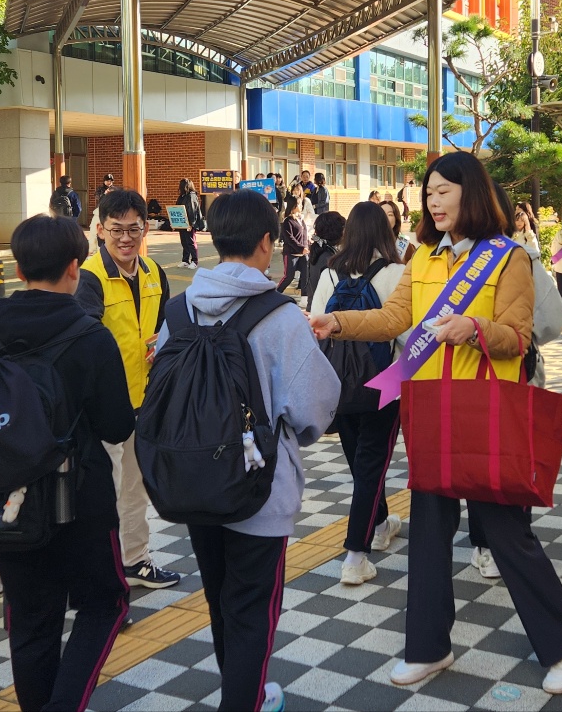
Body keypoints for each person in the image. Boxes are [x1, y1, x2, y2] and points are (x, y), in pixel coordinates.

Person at [310, 152, 562, 697]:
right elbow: (396, 320)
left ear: (473, 193)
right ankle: (427, 647)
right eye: (428, 192)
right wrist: (337, 322)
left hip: (484, 413)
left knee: (508, 536)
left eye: (443, 190)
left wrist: (472, 326)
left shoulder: (510, 257)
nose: (432, 200)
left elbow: (520, 335)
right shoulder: (422, 256)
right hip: (430, 411)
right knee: (428, 533)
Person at [162, 188, 338, 712]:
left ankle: (242, 690)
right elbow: (314, 408)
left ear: (214, 240)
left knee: (221, 601)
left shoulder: (177, 310)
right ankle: (247, 700)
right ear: (267, 243)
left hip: (192, 480)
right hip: (259, 490)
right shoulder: (279, 317)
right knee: (253, 610)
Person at [0, 214, 137, 710]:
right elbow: (116, 427)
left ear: (18, 271)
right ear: (75, 268)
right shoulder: (89, 335)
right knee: (105, 604)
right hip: (80, 499)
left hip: (7, 497)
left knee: (30, 617)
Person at [78, 190, 184, 592]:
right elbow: (85, 341)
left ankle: (135, 561)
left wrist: (165, 347)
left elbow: (168, 327)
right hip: (101, 408)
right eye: (117, 230)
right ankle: (101, 579)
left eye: (134, 229)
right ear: (101, 230)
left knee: (134, 488)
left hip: (142, 402)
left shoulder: (155, 272)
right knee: (102, 496)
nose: (126, 238)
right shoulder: (89, 277)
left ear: (146, 230)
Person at [310, 202, 406, 586]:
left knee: (360, 464)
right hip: (385, 383)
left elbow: (317, 325)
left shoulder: (330, 273)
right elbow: (405, 332)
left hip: (339, 383)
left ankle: (380, 523)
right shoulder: (398, 273)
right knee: (372, 466)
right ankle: (355, 555)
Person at [303, 210, 346, 307]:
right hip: (324, 314)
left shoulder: (319, 252)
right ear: (336, 231)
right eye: (343, 228)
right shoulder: (329, 259)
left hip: (314, 310)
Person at [275, 196, 310, 297]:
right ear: (293, 206)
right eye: (299, 204)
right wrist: (301, 248)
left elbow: (304, 235)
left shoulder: (301, 219)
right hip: (291, 254)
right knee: (289, 277)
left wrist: (307, 247)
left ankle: (305, 298)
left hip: (303, 254)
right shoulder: (288, 221)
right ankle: (276, 294)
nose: (301, 205)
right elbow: (289, 238)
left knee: (305, 277)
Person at [176, 178, 204, 269]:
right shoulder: (182, 196)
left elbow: (192, 211)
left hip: (189, 223)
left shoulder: (191, 196)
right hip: (182, 223)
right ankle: (185, 260)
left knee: (191, 242)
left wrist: (191, 224)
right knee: (184, 242)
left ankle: (194, 261)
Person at [380, 199, 416, 263]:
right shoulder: (367, 245)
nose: (385, 217)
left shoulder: (406, 247)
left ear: (396, 220)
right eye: (381, 214)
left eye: (390, 214)